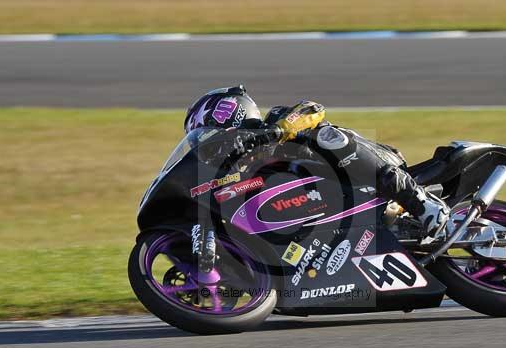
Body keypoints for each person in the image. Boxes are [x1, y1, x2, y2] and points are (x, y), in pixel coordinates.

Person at [184, 85, 449, 240]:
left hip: (373, 168)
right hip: (338, 206)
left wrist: (279, 130)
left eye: (208, 141)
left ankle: (420, 201)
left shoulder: (275, 118)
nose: (210, 152)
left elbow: (313, 108)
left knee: (325, 137)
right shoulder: (247, 171)